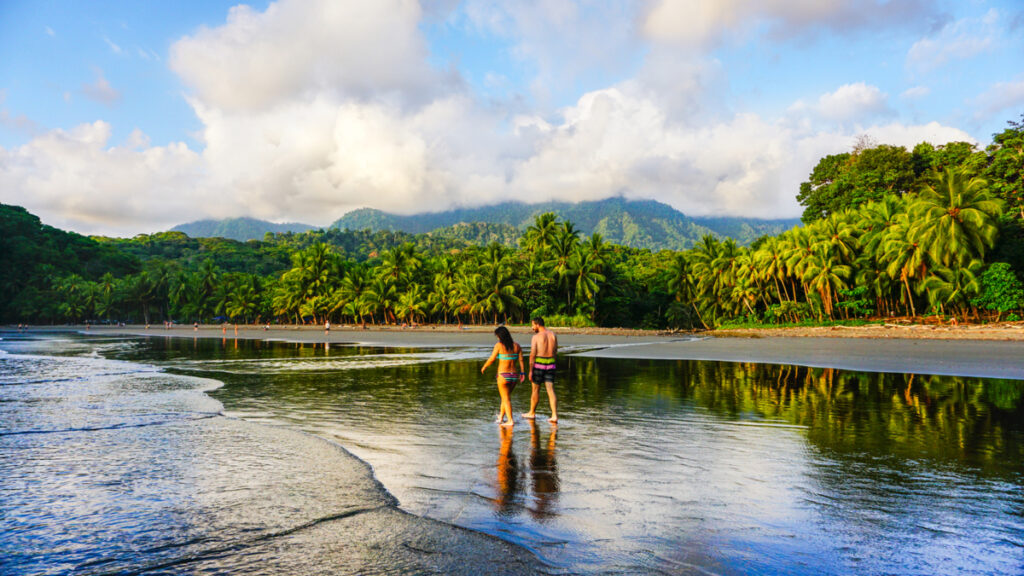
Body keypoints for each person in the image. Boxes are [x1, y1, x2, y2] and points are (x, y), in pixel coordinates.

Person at [481, 326, 525, 427]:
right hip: (514, 376)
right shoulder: (517, 346)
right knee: (505, 398)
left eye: (497, 336)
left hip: (503, 375)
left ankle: (510, 421)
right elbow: (521, 360)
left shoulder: (499, 346)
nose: (497, 338)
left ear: (500, 336)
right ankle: (501, 417)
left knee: (506, 399)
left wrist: (484, 366)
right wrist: (522, 373)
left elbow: (492, 359)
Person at [523, 316, 558, 424]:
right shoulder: (553, 335)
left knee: (535, 390)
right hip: (551, 363)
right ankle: (554, 415)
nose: (532, 327)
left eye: (533, 325)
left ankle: (532, 412)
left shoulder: (536, 337)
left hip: (539, 364)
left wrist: (530, 370)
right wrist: (553, 363)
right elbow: (555, 351)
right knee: (550, 390)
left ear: (537, 324)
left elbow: (532, 354)